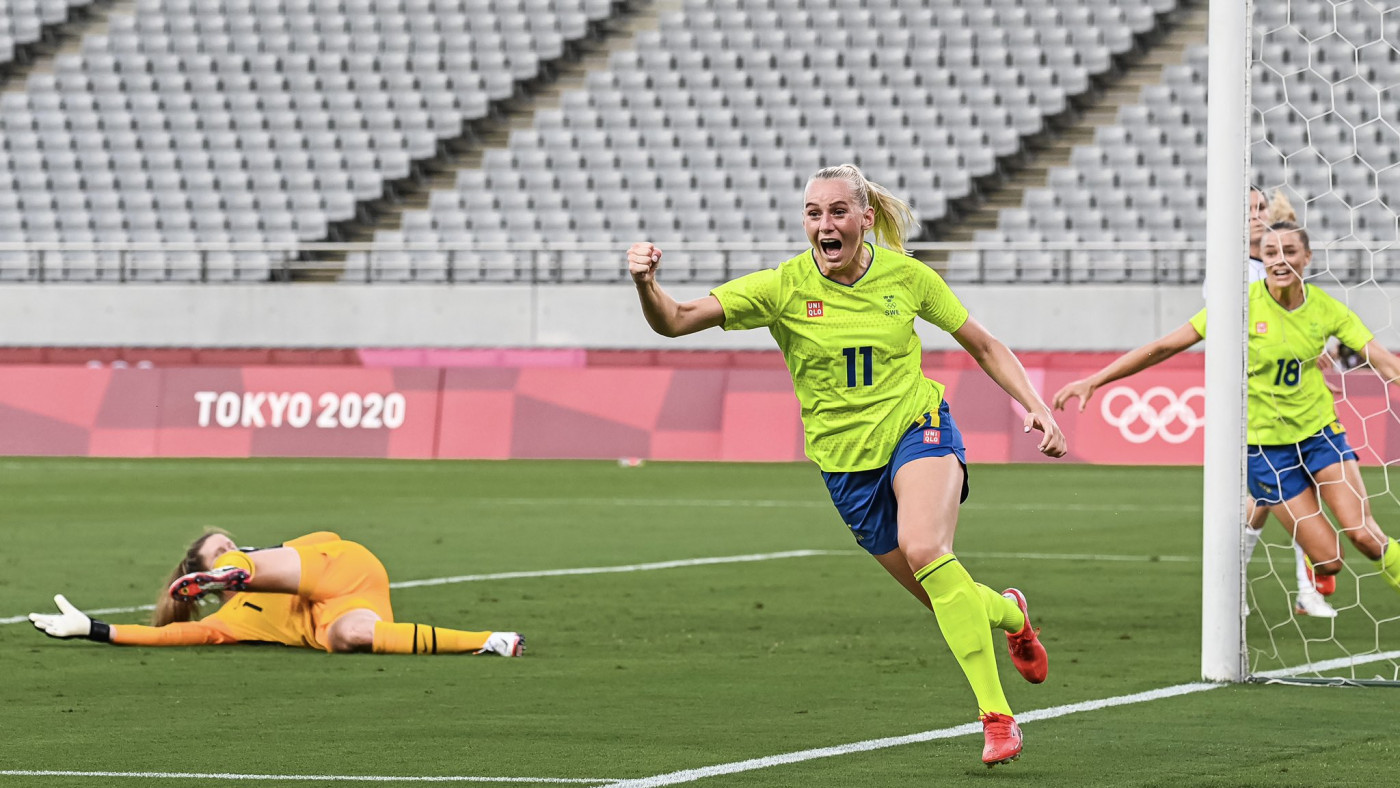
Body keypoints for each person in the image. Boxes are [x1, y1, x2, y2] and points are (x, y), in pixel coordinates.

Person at [628, 163, 1067, 767]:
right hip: (845, 467)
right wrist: (646, 285)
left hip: (920, 429)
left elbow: (985, 344)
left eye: (837, 212)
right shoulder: (782, 286)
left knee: (925, 548)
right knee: (944, 596)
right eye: (814, 213)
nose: (824, 224)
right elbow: (674, 321)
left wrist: (1035, 406)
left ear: (866, 218)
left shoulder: (907, 277)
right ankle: (1010, 613)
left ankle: (998, 720)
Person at [1054, 221, 1400, 609]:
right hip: (1265, 451)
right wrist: (1096, 380)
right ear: (1261, 258)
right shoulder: (1240, 304)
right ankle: (1318, 561)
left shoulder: (1327, 309)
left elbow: (1386, 363)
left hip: (1320, 433)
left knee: (1366, 537)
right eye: (1271, 253)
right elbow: (1167, 345)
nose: (1280, 260)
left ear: (1307, 257)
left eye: (1289, 251)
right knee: (1331, 560)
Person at [29, 530, 525, 656]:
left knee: (257, 561)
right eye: (219, 552)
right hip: (347, 609)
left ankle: (238, 570)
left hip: (338, 568)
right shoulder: (228, 623)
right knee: (347, 638)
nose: (229, 544)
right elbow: (171, 637)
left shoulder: (278, 554)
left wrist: (269, 556)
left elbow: (329, 540)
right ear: (198, 581)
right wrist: (93, 629)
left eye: (229, 546)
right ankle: (493, 639)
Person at [1229, 188, 1337, 617]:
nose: (1255, 217)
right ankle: (1238, 593)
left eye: (1261, 210)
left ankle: (1307, 592)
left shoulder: (1281, 261)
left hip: (1293, 404)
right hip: (1254, 405)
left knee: (1290, 498)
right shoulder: (1232, 271)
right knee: (1262, 507)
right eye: (1248, 210)